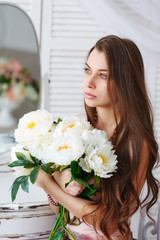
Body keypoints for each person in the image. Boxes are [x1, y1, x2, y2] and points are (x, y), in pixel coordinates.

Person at [36, 35, 159, 240]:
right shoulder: (77, 127)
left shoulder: (135, 143)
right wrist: (60, 178)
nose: (89, 83)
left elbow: (108, 221)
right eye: (87, 70)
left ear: (125, 82)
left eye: (103, 75)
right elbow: (60, 211)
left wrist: (47, 183)